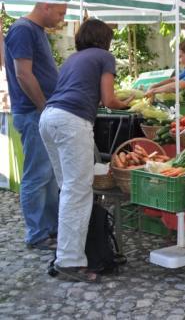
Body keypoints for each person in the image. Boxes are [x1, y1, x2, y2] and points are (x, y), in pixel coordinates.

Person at [39, 19, 133, 283]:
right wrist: (127, 103)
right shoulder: (104, 57)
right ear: (105, 39)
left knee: (67, 189)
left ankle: (66, 253)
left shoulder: (73, 58)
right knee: (78, 191)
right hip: (72, 121)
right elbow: (109, 100)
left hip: (48, 118)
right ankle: (69, 261)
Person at [4, 2, 67, 251]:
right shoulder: (23, 29)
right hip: (33, 113)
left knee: (49, 175)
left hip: (39, 113)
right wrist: (44, 107)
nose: (62, 19)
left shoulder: (35, 30)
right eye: (60, 13)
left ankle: (50, 229)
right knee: (37, 175)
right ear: (45, 6)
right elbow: (23, 74)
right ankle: (37, 234)